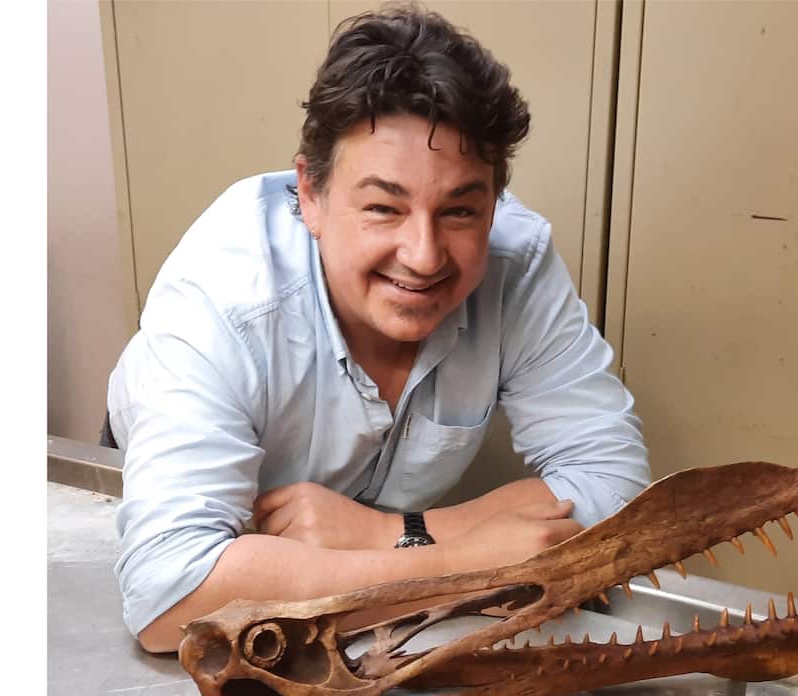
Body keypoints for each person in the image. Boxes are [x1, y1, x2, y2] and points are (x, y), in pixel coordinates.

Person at [105, 4, 650, 653]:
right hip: (188, 505)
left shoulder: (517, 261)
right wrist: (466, 564)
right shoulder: (224, 294)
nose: (423, 256)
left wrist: (389, 533)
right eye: (384, 207)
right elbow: (169, 598)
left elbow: (618, 491)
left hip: (341, 566)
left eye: (459, 211)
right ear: (310, 194)